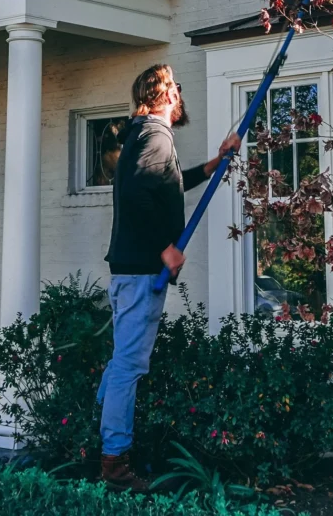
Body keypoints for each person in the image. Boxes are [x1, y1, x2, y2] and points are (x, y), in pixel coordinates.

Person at [98, 63, 240, 490]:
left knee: (121, 361)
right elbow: (136, 192)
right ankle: (114, 461)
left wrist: (213, 164)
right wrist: (165, 246)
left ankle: (97, 441)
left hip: (131, 270)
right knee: (128, 366)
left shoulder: (143, 135)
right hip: (143, 272)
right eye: (176, 87)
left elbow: (165, 185)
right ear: (167, 96)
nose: (181, 93)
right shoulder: (155, 135)